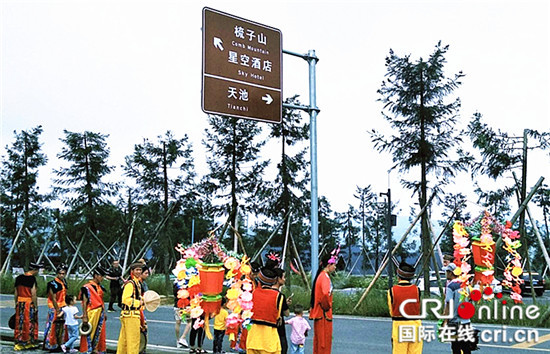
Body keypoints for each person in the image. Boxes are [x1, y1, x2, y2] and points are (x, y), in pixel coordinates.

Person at [246, 265, 284, 354]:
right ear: (274, 281)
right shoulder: (279, 296)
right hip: (269, 340)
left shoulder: (253, 293)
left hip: (252, 338)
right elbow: (278, 317)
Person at [387, 261, 423, 354]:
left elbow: (391, 311)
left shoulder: (392, 291)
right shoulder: (417, 290)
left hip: (399, 325)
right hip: (416, 325)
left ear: (398, 276)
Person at [310, 250, 338, 354]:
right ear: (329, 264)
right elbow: (326, 294)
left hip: (320, 315)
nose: (335, 267)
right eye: (334, 265)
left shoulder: (321, 276)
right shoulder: (324, 277)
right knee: (323, 343)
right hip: (324, 315)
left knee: (319, 342)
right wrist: (327, 307)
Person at [443, 262, 472, 354]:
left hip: (455, 321)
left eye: (447, 272)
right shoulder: (465, 285)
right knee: (466, 347)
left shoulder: (451, 286)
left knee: (456, 347)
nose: (446, 274)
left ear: (451, 273)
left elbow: (449, 304)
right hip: (466, 321)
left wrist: (445, 321)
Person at [13, 262, 42, 351]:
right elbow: (33, 294)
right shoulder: (32, 279)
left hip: (20, 302)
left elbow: (16, 292)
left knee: (19, 322)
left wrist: (16, 303)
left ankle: (19, 341)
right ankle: (28, 341)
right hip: (28, 303)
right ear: (34, 270)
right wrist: (36, 306)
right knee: (29, 322)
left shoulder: (19, 278)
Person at [79, 266, 108, 354]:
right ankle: (86, 349)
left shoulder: (100, 287)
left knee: (99, 332)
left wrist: (104, 312)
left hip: (100, 311)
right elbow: (84, 302)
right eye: (101, 276)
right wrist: (84, 315)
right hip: (91, 311)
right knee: (89, 331)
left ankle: (96, 348)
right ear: (95, 275)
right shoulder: (87, 287)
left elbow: (101, 300)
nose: (102, 278)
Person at [117, 262, 144, 354]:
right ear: (132, 271)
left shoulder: (137, 283)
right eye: (137, 270)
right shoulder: (130, 284)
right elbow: (125, 299)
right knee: (133, 340)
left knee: (124, 340)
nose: (139, 271)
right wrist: (138, 303)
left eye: (140, 270)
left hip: (131, 315)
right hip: (131, 315)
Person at [44, 264, 68, 352]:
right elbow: (53, 298)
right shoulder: (52, 284)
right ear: (57, 273)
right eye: (60, 273)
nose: (62, 275)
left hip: (63, 305)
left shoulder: (64, 282)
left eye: (63, 273)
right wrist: (57, 310)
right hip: (55, 307)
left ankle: (60, 343)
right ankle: (50, 344)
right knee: (52, 326)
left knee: (62, 327)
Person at [274, 268, 291, 354]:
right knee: (282, 348)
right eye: (283, 277)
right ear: (278, 279)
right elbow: (286, 313)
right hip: (279, 328)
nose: (284, 279)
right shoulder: (280, 296)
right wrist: (285, 305)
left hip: (269, 328)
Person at [173, 280, 191, 348]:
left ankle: (178, 341)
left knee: (178, 322)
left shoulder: (175, 283)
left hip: (178, 305)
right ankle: (183, 337)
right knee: (190, 321)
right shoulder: (188, 281)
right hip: (187, 305)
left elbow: (175, 294)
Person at [139, 265, 151, 354]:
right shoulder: (136, 284)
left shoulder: (143, 283)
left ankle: (142, 349)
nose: (147, 275)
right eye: (145, 273)